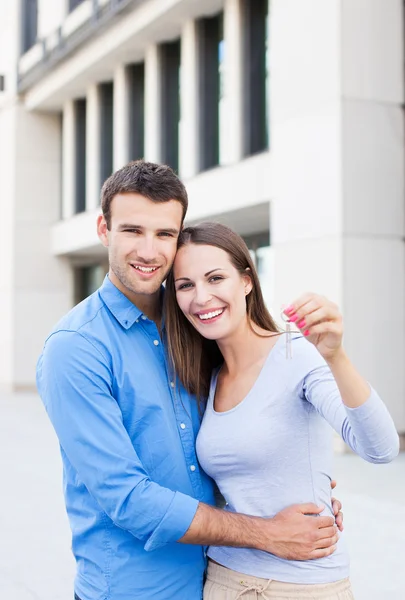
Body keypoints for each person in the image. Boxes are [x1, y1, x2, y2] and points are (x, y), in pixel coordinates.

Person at [37, 161, 344, 600]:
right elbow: (129, 499)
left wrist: (294, 488)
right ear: (104, 229)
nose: (149, 250)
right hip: (134, 590)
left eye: (165, 234)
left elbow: (232, 436)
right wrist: (268, 531)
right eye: (132, 231)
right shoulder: (75, 349)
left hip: (217, 579)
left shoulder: (193, 320)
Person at [164, 221, 400, 600]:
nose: (201, 297)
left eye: (215, 278)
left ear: (246, 281)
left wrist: (335, 357)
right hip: (223, 580)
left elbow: (381, 449)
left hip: (304, 587)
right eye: (186, 285)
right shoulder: (207, 377)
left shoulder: (295, 354)